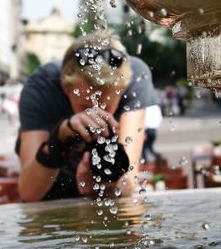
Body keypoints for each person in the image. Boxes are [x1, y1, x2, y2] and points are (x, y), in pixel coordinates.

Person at [17, 32, 157, 201]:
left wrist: (108, 182)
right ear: (64, 85)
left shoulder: (134, 75)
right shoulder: (41, 86)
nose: (95, 117)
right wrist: (59, 141)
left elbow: (128, 182)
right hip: (53, 194)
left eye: (106, 107)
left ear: (123, 89)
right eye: (85, 107)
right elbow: (29, 192)